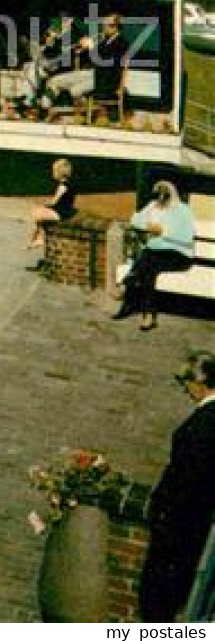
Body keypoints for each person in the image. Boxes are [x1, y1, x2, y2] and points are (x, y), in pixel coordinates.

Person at [138, 350, 215, 622]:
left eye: (186, 383)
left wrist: (163, 513)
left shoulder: (205, 423)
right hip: (190, 522)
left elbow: (188, 476)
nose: (186, 389)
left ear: (199, 382)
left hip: (179, 523)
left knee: (157, 597)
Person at [115, 179, 196, 331]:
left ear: (171, 194)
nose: (160, 200)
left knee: (147, 260)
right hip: (154, 254)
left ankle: (128, 286)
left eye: (164, 196)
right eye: (158, 195)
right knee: (149, 266)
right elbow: (136, 220)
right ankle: (147, 315)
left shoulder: (183, 210)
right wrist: (147, 223)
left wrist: (163, 231)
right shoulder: (153, 206)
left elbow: (187, 236)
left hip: (178, 255)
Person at [27, 159, 77, 252]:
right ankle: (39, 238)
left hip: (62, 212)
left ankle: (40, 238)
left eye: (54, 171)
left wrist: (43, 204)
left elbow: (54, 202)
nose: (53, 173)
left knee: (36, 213)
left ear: (59, 173)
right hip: (64, 210)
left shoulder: (62, 186)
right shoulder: (68, 184)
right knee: (38, 214)